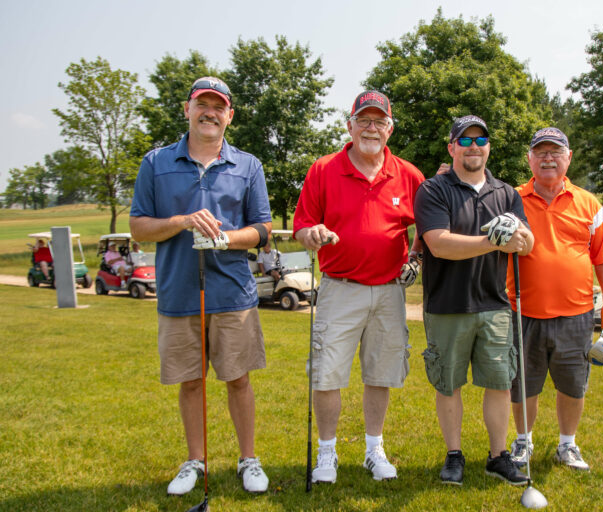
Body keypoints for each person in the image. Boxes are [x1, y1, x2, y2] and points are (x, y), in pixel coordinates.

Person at [129, 76, 273, 495]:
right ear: (188, 110)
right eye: (202, 104)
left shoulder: (248, 165)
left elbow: (263, 230)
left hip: (233, 293)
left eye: (218, 107)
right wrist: (181, 221)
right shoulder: (156, 163)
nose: (210, 113)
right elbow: (139, 227)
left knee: (238, 379)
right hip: (179, 292)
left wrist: (226, 238)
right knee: (190, 381)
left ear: (230, 115)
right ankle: (195, 461)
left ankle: (248, 459)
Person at [293, 90, 425, 484]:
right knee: (326, 374)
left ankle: (373, 449)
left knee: (381, 374)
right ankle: (327, 452)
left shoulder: (408, 174)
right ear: (349, 126)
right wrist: (311, 234)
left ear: (390, 129)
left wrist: (415, 257)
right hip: (339, 288)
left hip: (389, 291)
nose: (371, 128)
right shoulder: (323, 169)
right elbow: (302, 226)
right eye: (363, 120)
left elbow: (428, 224)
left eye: (379, 121)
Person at [415, 115, 534, 486]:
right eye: (464, 141)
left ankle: (498, 456)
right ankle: (454, 454)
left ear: (488, 147)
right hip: (447, 305)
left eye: (480, 140)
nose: (473, 147)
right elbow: (439, 243)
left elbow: (527, 243)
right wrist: (493, 241)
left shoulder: (506, 194)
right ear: (452, 147)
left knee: (499, 382)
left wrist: (520, 238)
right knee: (448, 384)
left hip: (494, 305)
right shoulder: (433, 190)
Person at [507, 127, 603, 473]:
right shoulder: (511, 199)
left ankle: (567, 444)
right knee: (523, 384)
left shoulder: (589, 203)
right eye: (541, 152)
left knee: (573, 384)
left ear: (568, 158)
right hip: (523, 311)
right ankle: (523, 440)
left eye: (555, 152)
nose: (548, 159)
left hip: (577, 313)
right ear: (530, 159)